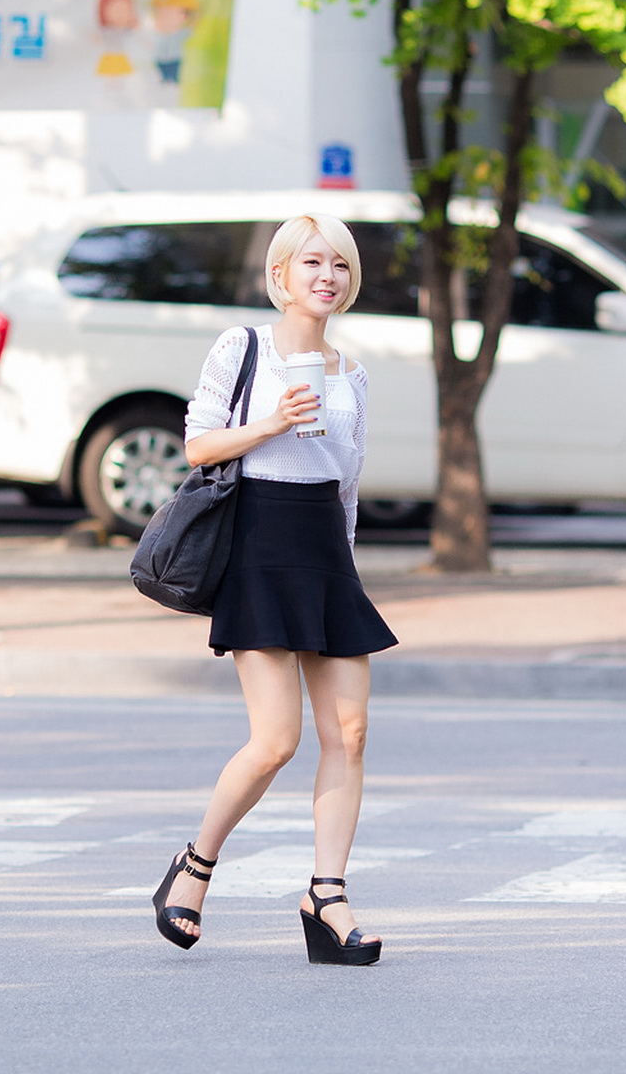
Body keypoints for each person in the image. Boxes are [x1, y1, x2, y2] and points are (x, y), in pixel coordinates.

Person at [151, 213, 398, 966]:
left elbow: (348, 484)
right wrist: (269, 423)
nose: (329, 277)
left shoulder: (351, 374)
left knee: (349, 733)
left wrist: (347, 565)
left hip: (324, 551)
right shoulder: (245, 347)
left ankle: (326, 896)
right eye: (314, 263)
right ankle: (192, 869)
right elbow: (197, 444)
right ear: (281, 275)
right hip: (258, 547)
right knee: (274, 742)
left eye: (342, 267)